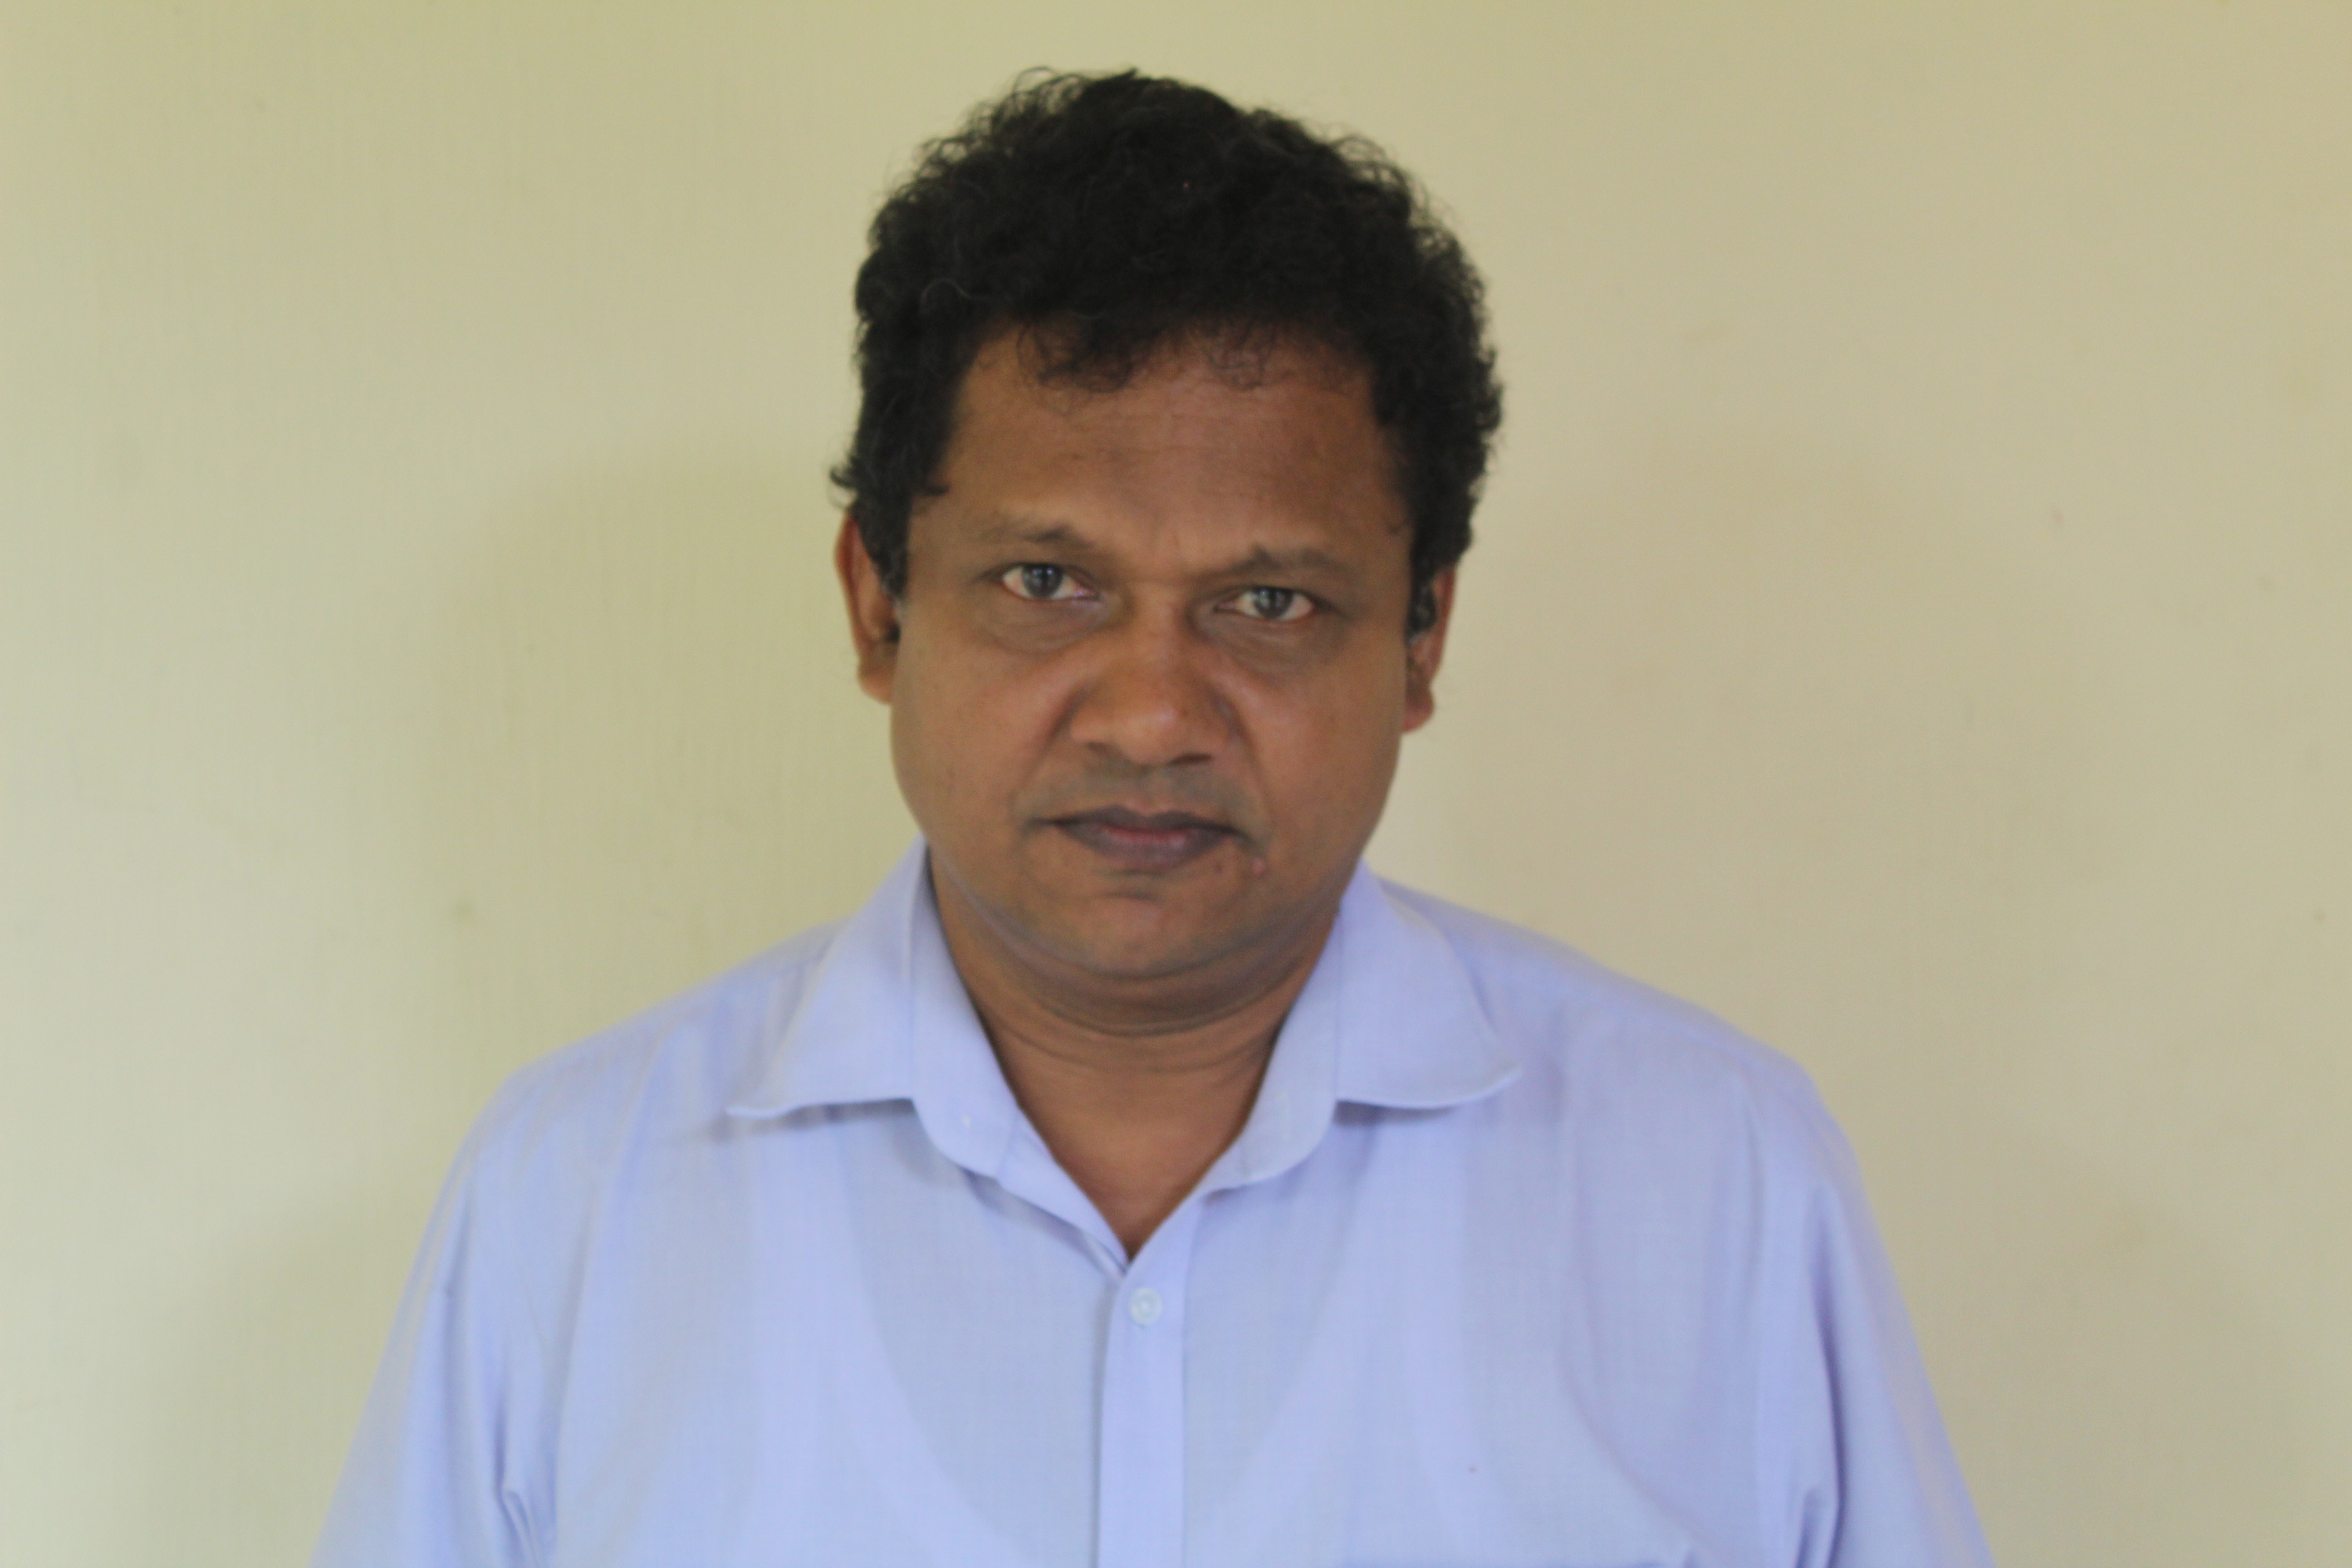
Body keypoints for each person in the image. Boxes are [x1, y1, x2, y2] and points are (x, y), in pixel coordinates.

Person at [314, 71, 1993, 1568]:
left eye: (1269, 604)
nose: (1150, 715)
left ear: (1421, 641)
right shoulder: (578, 1199)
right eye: (1046, 583)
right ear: (880, 605)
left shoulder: (1718, 1183)